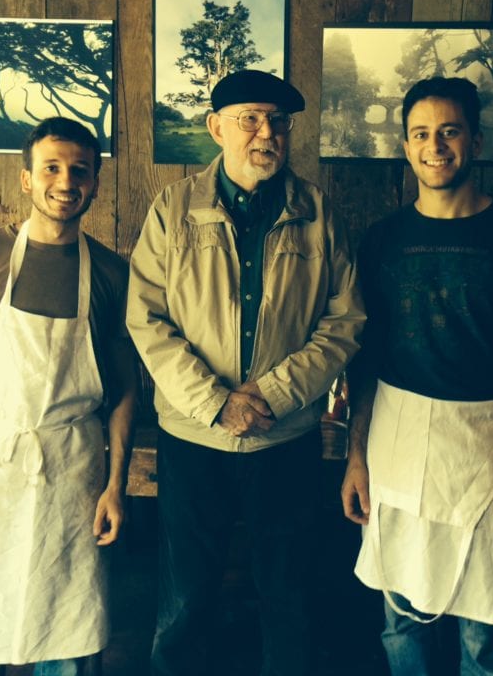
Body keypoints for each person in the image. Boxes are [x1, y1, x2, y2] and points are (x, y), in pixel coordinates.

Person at [127, 69, 366, 676]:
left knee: (289, 593)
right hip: (193, 435)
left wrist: (273, 394)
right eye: (250, 119)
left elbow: (344, 321)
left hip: (284, 437)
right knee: (185, 599)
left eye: (278, 122)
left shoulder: (316, 210)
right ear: (215, 128)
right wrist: (215, 402)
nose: (267, 133)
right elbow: (147, 319)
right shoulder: (173, 208)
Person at [341, 77, 493, 675]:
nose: (434, 145)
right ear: (406, 145)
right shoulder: (384, 240)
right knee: (399, 617)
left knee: (486, 630)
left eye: (449, 131)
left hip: (489, 448)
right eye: (421, 133)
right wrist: (355, 456)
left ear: (476, 138)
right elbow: (366, 354)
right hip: (397, 440)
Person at [0, 117, 137, 675]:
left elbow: (124, 388)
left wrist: (115, 485)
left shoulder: (110, 273)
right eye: (52, 168)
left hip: (74, 470)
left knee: (69, 633)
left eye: (79, 171)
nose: (66, 182)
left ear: (95, 181)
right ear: (26, 179)